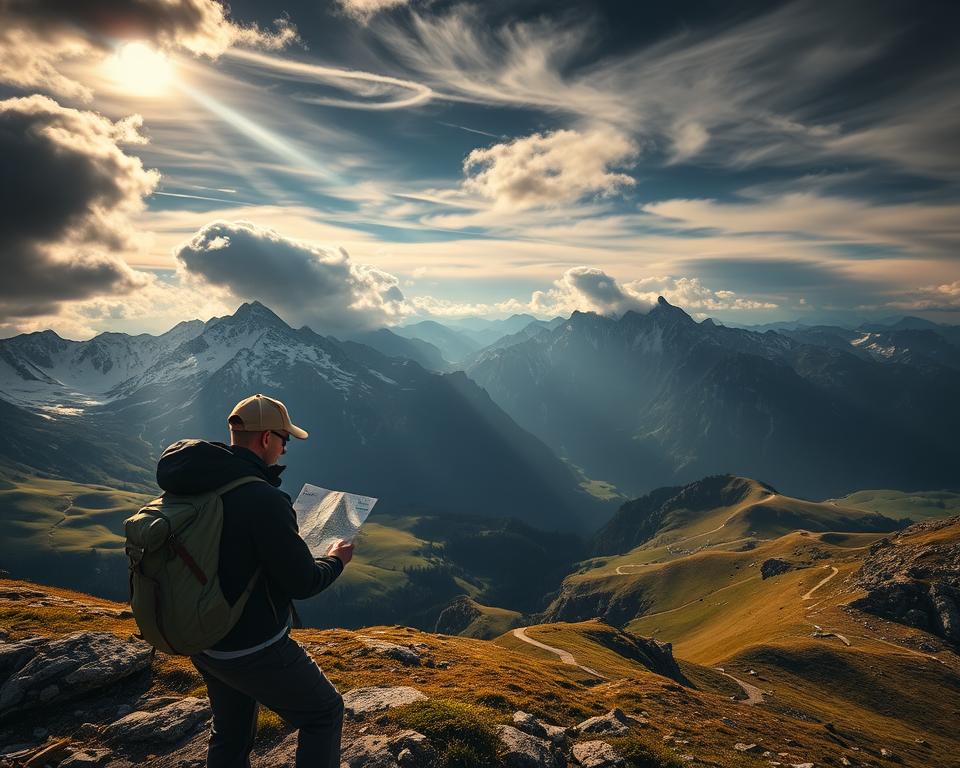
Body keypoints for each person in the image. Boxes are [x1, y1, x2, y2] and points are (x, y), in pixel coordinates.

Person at [155, 393, 353, 768]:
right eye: (284, 440)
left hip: (205, 637)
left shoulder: (197, 482)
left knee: (231, 731)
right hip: (253, 645)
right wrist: (335, 559)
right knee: (324, 713)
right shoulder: (263, 498)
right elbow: (303, 583)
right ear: (266, 439)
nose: (284, 448)